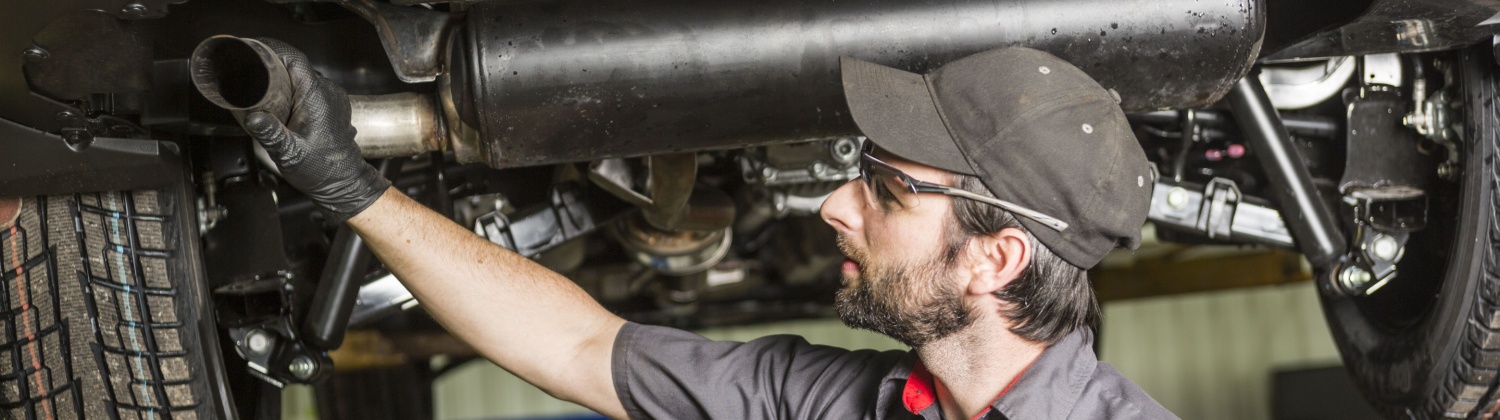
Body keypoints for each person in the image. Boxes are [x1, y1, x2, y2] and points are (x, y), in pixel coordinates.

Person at [243, 38, 1175, 419]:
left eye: (889, 193)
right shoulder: (835, 399)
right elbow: (579, 345)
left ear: (995, 258)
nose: (836, 207)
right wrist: (354, 191)